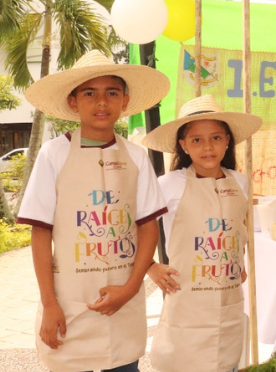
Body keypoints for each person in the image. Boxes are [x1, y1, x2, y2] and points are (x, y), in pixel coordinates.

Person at [17, 50, 170, 372]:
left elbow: (147, 228)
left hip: (123, 300)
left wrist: (130, 289)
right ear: (73, 102)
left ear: (124, 101)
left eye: (111, 93)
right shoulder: (53, 154)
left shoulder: (137, 156)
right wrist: (49, 303)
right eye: (90, 93)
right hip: (69, 301)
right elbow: (41, 231)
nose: (102, 102)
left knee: (125, 365)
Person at [143, 94, 262, 372]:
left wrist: (239, 263)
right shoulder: (169, 184)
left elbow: (239, 229)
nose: (207, 147)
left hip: (228, 296)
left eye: (216, 138)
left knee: (227, 360)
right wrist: (150, 266)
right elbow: (135, 224)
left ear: (228, 140)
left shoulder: (240, 182)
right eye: (196, 140)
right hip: (187, 298)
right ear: (183, 145)